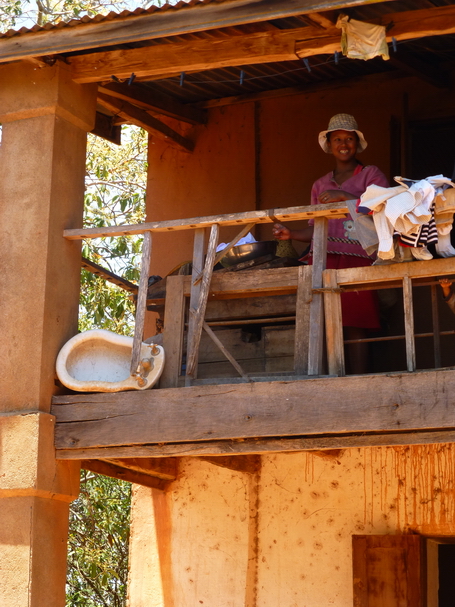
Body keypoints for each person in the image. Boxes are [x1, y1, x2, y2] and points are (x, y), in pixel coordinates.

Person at [272, 113, 389, 373]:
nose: (344, 144)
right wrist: (290, 234)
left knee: (356, 324)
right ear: (329, 144)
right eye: (337, 139)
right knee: (324, 323)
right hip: (324, 260)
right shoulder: (320, 185)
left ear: (357, 144)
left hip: (359, 257)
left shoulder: (371, 175)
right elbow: (316, 229)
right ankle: (325, 379)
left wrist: (344, 196)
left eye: (349, 138)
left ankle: (358, 381)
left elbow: (385, 207)